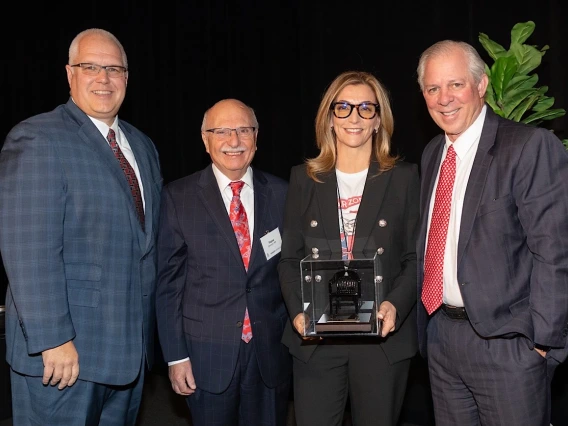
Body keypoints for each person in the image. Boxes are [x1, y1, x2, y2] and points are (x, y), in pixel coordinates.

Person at [0, 28, 162, 425]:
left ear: (127, 77)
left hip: (127, 356)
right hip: (63, 358)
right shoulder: (39, 137)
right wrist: (52, 338)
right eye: (91, 67)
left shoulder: (142, 146)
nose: (103, 79)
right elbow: (28, 248)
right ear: (70, 74)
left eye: (114, 69)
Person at [416, 39, 568, 426]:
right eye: (433, 88)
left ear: (481, 85)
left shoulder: (529, 146)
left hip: (508, 346)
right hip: (442, 339)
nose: (444, 98)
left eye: (456, 85)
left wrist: (542, 344)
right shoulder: (433, 152)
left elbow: (554, 251)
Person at [278, 70, 420, 426]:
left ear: (378, 121)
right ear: (329, 118)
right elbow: (289, 258)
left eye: (365, 108)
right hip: (317, 339)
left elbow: (416, 258)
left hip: (382, 339)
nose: (354, 117)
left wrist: (394, 305)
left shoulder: (404, 178)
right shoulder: (304, 178)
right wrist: (299, 311)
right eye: (343, 107)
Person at [155, 98, 292, 426]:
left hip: (269, 355)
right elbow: (168, 286)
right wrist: (176, 356)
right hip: (206, 357)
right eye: (222, 131)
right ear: (205, 140)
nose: (234, 141)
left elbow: (293, 271)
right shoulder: (178, 197)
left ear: (256, 137)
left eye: (244, 130)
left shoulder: (284, 193)